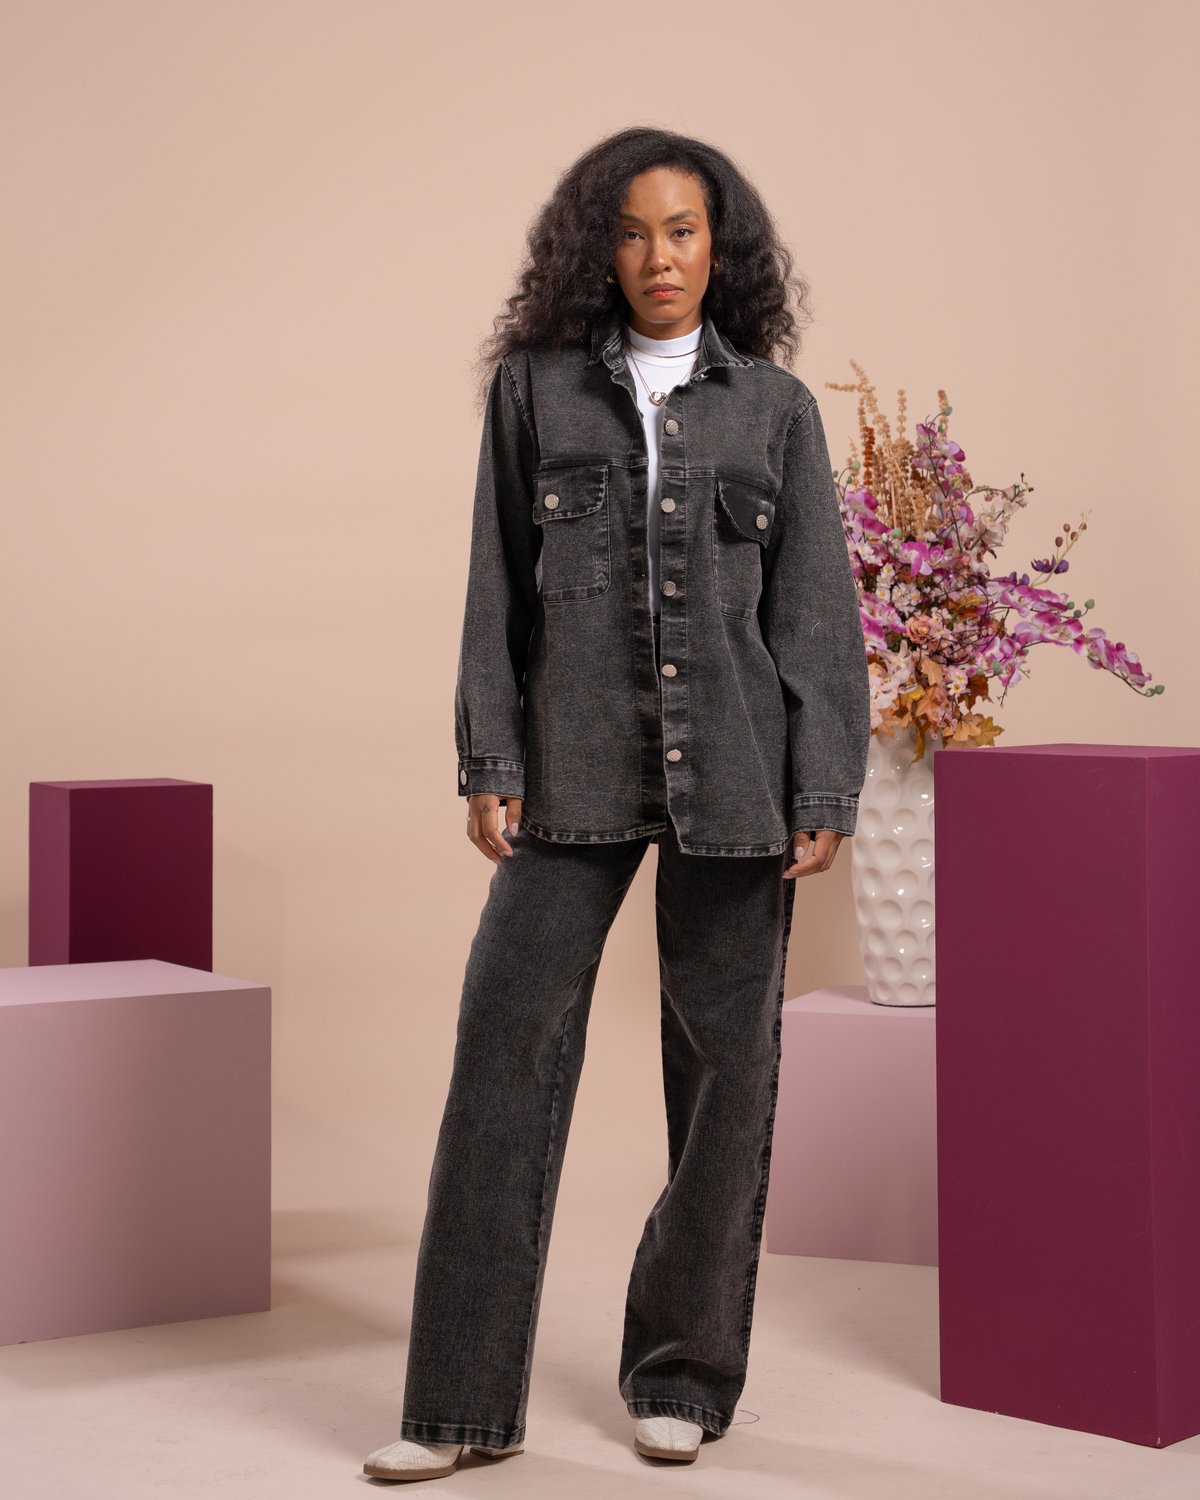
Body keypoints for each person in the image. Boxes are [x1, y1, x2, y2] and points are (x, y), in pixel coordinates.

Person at [364, 125, 871, 1483]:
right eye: (635, 232)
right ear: (600, 249)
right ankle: (458, 1405)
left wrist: (824, 779)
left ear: (721, 247)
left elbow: (815, 614)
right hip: (572, 762)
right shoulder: (535, 393)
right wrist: (491, 755)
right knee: (504, 1058)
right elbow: (496, 582)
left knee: (724, 1085)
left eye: (684, 231)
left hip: (741, 774)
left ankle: (684, 1378)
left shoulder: (775, 410)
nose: (660, 256)